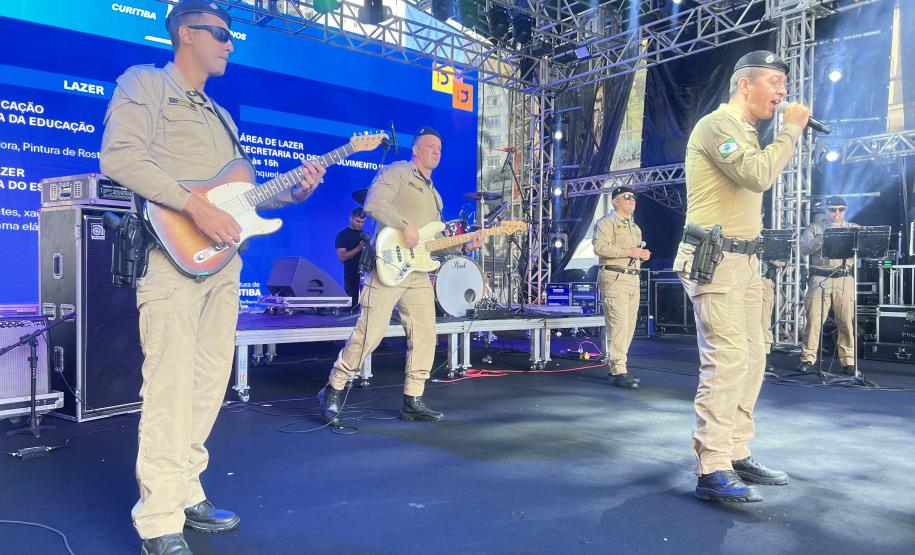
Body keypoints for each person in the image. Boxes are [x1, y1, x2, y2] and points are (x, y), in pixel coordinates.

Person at [100, 1, 326, 553]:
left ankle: (184, 488)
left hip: (224, 267)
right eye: (221, 34)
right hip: (169, 259)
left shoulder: (221, 116)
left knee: (206, 383)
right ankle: (157, 519)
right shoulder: (145, 82)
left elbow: (238, 197)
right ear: (186, 34)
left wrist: (294, 192)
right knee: (170, 384)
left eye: (232, 36)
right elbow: (119, 158)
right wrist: (193, 207)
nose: (230, 44)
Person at [672, 50, 810, 503]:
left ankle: (734, 450)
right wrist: (790, 129)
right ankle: (711, 465)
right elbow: (758, 176)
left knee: (753, 358)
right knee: (726, 360)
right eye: (774, 82)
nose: (782, 92)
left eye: (783, 84)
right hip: (716, 261)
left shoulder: (747, 131)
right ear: (744, 85)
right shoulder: (717, 126)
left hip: (747, 263)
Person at [318, 127, 482, 424]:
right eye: (430, 146)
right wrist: (403, 224)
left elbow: (432, 245)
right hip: (386, 266)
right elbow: (374, 203)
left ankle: (413, 399)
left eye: (440, 148)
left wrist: (464, 245)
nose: (436, 151)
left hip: (418, 272)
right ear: (416, 149)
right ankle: (334, 387)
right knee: (370, 332)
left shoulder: (437, 197)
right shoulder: (399, 171)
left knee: (425, 335)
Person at [593, 185, 650, 389]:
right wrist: (630, 251)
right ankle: (619, 370)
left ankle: (615, 364)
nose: (632, 200)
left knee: (628, 326)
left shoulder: (635, 227)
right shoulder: (607, 223)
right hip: (615, 277)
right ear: (616, 200)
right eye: (627, 197)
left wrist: (641, 254)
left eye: (634, 198)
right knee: (618, 325)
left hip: (632, 277)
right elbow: (600, 247)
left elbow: (633, 252)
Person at [799, 196, 858, 374]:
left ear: (845, 211)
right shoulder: (815, 229)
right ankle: (808, 358)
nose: (836, 213)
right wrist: (824, 238)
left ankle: (848, 360)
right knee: (814, 320)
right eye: (833, 210)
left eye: (840, 210)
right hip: (820, 277)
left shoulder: (853, 228)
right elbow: (803, 248)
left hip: (844, 278)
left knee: (846, 321)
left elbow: (866, 249)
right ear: (826, 210)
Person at [335, 207, 371, 311]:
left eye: (363, 222)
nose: (360, 224)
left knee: (366, 305)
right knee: (351, 305)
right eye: (358, 221)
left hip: (366, 274)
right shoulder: (342, 235)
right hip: (351, 275)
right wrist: (358, 248)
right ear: (351, 218)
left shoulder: (366, 235)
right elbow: (342, 256)